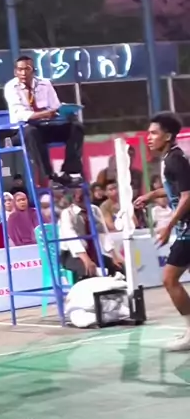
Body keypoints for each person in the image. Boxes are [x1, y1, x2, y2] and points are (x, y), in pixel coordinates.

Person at [135, 112, 190, 351]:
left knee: (169, 279)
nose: (149, 137)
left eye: (154, 133)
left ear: (167, 136)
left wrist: (168, 226)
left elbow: (188, 196)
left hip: (188, 231)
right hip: (185, 228)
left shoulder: (176, 159)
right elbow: (175, 190)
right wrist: (150, 195)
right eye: (148, 133)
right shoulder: (170, 157)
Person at [4, 55, 84, 186]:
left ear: (33, 70)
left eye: (27, 69)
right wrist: (44, 114)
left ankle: (70, 171)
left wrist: (64, 112)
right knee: (31, 132)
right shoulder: (11, 87)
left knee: (76, 126)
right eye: (20, 69)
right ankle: (49, 176)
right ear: (15, 72)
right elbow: (20, 114)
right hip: (23, 129)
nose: (23, 73)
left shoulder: (45, 84)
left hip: (46, 125)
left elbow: (55, 106)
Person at [59, 188, 125, 282]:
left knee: (119, 266)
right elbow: (72, 239)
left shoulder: (95, 210)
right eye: (77, 196)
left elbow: (103, 233)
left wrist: (114, 256)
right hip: (71, 254)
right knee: (88, 270)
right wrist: (86, 259)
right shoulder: (67, 213)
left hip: (92, 252)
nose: (79, 197)